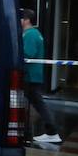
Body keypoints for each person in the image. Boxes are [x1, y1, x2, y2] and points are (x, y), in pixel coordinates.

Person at [20, 9, 62, 145]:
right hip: (33, 75)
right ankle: (51, 131)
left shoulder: (30, 34)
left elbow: (28, 53)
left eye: (21, 18)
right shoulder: (35, 33)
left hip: (29, 75)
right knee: (37, 104)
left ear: (26, 20)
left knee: (33, 104)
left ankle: (51, 132)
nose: (19, 20)